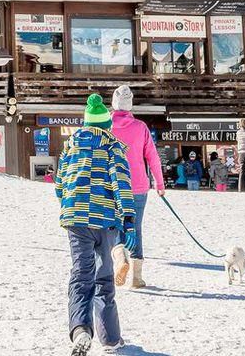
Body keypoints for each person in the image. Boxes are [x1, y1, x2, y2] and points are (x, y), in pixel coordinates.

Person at [57, 93, 132, 355]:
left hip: (76, 219)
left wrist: (68, 207)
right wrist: (129, 220)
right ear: (106, 126)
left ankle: (80, 330)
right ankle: (111, 339)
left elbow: (59, 184)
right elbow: (121, 184)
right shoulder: (113, 147)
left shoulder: (70, 146)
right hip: (105, 220)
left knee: (80, 275)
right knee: (104, 277)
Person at [108, 86, 164, 290]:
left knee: (115, 224)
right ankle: (136, 277)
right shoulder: (140, 127)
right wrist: (160, 183)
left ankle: (120, 254)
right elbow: (153, 157)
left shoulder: (106, 127)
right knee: (136, 227)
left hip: (113, 185)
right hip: (138, 185)